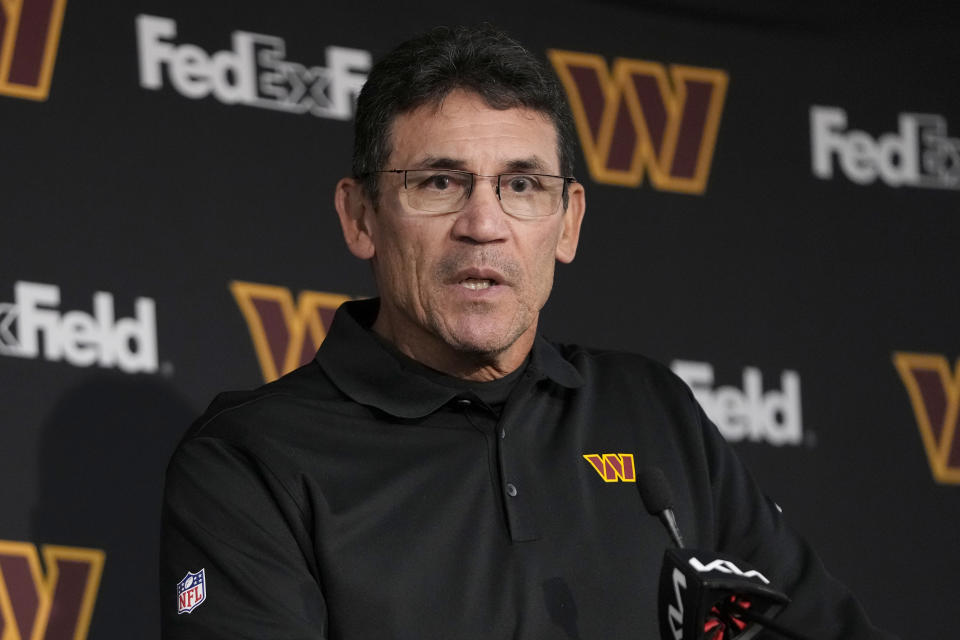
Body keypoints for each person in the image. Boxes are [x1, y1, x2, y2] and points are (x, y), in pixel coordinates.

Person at [160, 25, 896, 639]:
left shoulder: (650, 412)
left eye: (521, 186)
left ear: (568, 222)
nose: (483, 225)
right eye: (439, 182)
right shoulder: (252, 459)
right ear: (361, 217)